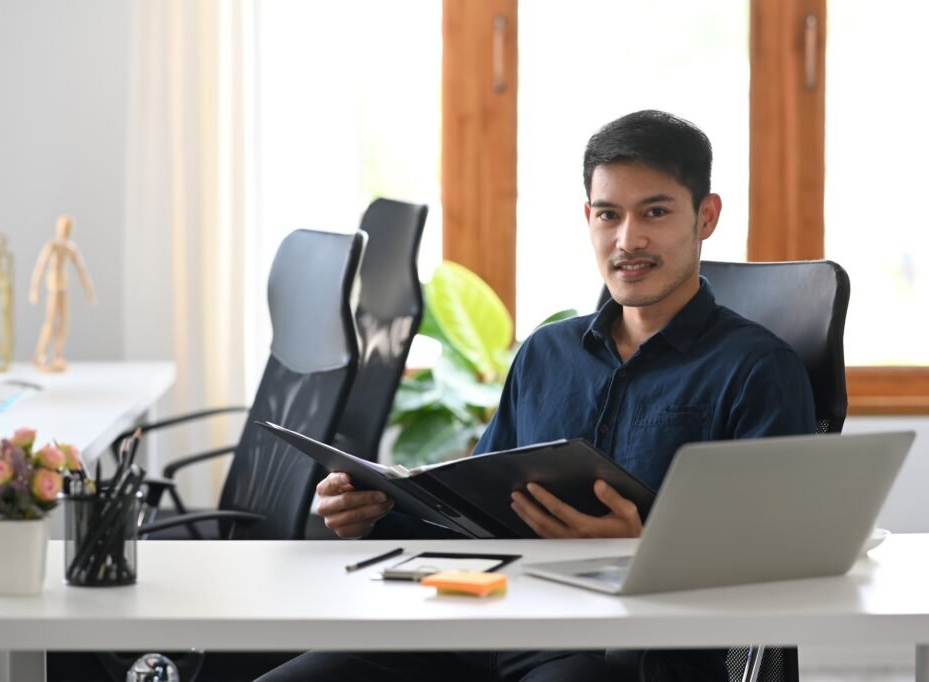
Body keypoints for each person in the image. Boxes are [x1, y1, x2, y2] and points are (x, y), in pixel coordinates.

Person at [256, 110, 816, 681]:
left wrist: (644, 552)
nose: (628, 240)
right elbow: (475, 525)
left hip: (631, 656)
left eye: (655, 212)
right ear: (589, 218)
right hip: (491, 625)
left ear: (706, 216)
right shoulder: (546, 354)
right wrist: (374, 512)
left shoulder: (758, 369)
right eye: (609, 214)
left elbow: (783, 563)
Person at [28, 214, 97, 372]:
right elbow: (40, 267)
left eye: (68, 228)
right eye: (63, 227)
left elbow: (81, 270)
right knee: (50, 321)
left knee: (64, 322)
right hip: (53, 285)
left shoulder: (70, 248)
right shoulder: (52, 246)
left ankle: (58, 356)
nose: (65, 230)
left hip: (63, 286)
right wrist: (34, 289)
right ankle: (40, 354)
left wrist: (89, 292)